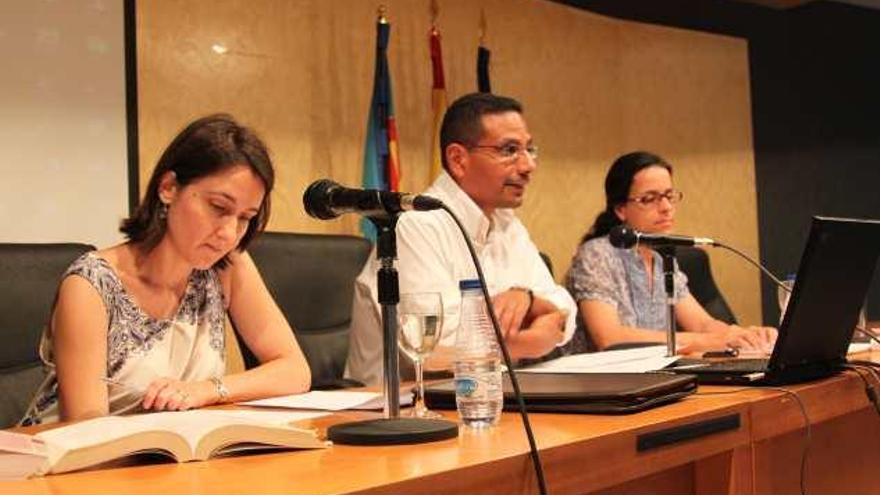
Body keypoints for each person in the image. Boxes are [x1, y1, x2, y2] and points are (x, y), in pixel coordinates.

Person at [22, 114, 311, 424]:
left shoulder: (227, 265)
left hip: (172, 457)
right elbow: (85, 428)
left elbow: (294, 370)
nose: (229, 233)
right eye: (218, 208)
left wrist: (208, 390)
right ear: (169, 187)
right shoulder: (92, 285)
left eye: (245, 217)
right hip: (68, 463)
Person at [346, 93, 577, 386]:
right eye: (509, 150)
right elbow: (435, 345)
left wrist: (528, 301)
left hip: (485, 395)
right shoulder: (417, 224)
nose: (527, 165)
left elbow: (563, 309)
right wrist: (526, 342)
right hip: (399, 410)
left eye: (529, 149)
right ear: (458, 159)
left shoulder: (508, 226)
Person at [564, 151, 776, 354]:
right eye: (649, 198)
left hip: (654, 378)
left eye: (668, 195)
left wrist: (747, 335)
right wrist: (708, 342)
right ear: (620, 209)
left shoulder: (660, 257)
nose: (666, 207)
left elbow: (702, 324)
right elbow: (610, 338)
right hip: (601, 383)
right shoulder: (596, 255)